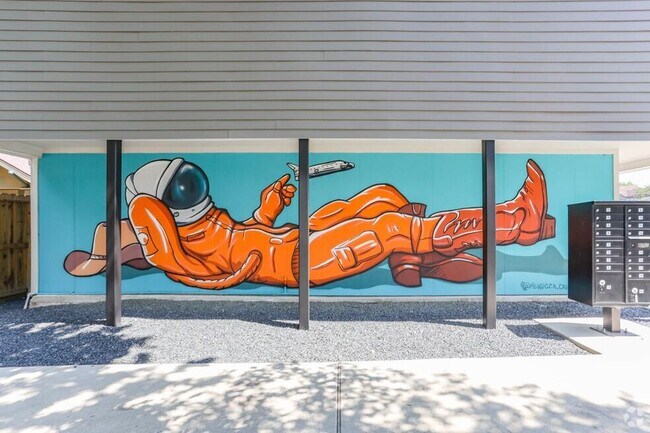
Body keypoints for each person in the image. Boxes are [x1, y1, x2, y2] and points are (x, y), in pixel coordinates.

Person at [66, 158, 555, 289]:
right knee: (387, 226)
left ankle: (414, 263)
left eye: (186, 180)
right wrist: (143, 212)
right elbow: (218, 264)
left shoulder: (204, 231)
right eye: (177, 188)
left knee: (382, 196)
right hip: (301, 260)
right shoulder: (177, 256)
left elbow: (243, 239)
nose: (188, 190)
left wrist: (268, 208)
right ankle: (517, 221)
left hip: (295, 237)